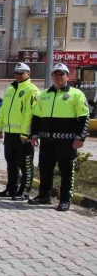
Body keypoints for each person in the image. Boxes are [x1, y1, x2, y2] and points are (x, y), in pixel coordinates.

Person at [28, 63, 89, 212]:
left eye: (62, 74)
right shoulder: (44, 95)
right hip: (47, 140)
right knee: (45, 169)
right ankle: (44, 196)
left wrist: (80, 138)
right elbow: (36, 117)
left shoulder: (76, 94)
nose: (58, 76)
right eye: (55, 74)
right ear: (51, 76)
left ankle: (65, 199)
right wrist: (34, 135)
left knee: (66, 171)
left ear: (67, 76)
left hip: (66, 141)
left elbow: (84, 118)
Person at [0, 63, 40, 200]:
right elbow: (3, 110)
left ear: (29, 74)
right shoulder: (10, 90)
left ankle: (24, 191)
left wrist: (25, 133)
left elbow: (30, 114)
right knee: (11, 163)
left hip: (23, 136)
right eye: (17, 73)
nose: (19, 75)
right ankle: (12, 188)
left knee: (25, 164)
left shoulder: (32, 90)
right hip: (9, 134)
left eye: (22, 73)